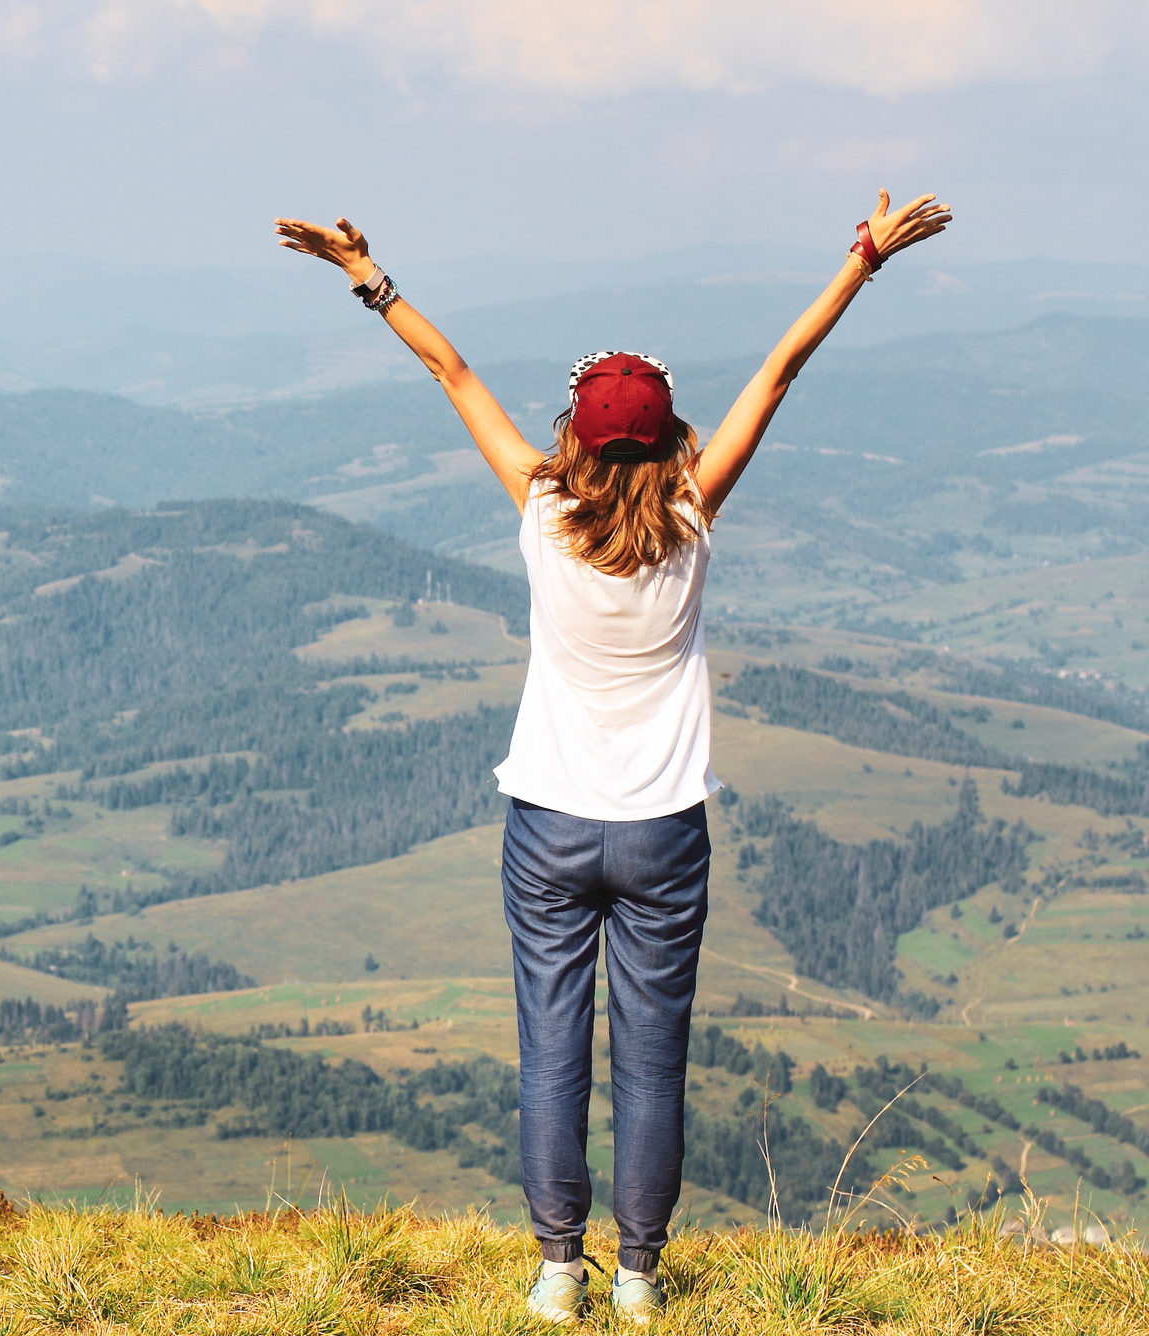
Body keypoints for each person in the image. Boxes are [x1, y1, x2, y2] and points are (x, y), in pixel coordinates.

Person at [274, 191, 952, 1324]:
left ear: (578, 433)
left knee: (552, 1053)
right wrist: (862, 262)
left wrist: (368, 275)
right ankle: (638, 1276)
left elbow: (454, 375)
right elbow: (781, 370)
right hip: (662, 829)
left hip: (546, 819)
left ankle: (556, 1270)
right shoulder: (692, 513)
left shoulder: (541, 510)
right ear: (672, 433)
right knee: (651, 1064)